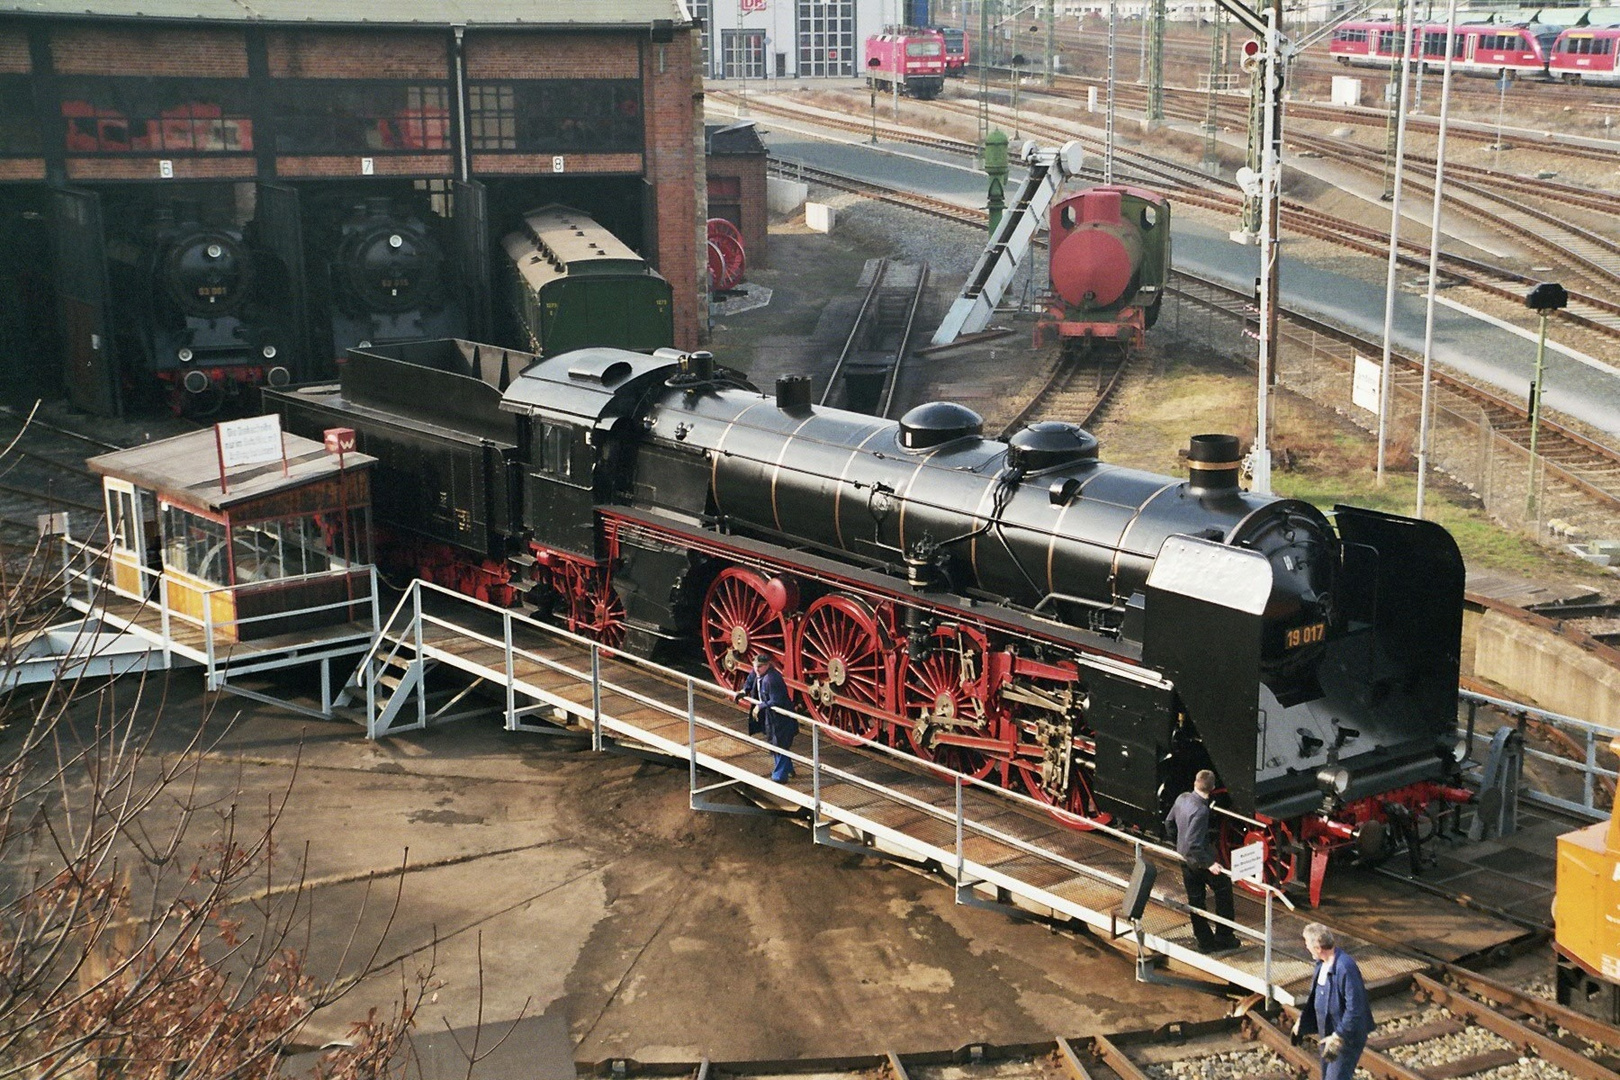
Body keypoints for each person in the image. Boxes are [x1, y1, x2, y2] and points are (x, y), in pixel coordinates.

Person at [1164, 769, 1238, 953]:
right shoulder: (1201, 811)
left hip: (1185, 860)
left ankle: (1204, 942)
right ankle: (1224, 936)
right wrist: (1210, 863)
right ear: (1212, 788)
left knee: (1196, 900)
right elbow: (1194, 843)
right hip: (1200, 861)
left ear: (1195, 782)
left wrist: (1177, 844)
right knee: (1224, 889)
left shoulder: (1182, 798)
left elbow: (1169, 823)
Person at [1293, 922, 1374, 1080]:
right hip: (1328, 1033)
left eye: (1307, 943)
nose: (1306, 947)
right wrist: (1302, 1020)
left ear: (1318, 948)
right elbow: (1317, 997)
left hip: (1345, 1036)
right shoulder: (1321, 964)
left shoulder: (1345, 968)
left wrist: (1339, 1036)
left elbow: (1355, 1009)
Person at [737, 652, 797, 782]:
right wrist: (744, 690)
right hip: (771, 716)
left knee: (779, 743)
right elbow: (751, 678)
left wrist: (760, 706)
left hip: (780, 717)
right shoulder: (758, 672)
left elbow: (776, 700)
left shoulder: (772, 679)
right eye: (755, 666)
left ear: (768, 665)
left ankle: (779, 776)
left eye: (760, 666)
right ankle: (788, 768)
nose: (757, 669)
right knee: (776, 742)